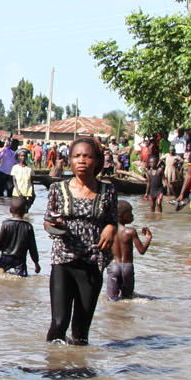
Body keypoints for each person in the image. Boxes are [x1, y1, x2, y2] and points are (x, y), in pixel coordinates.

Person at [44, 137, 119, 343]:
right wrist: (55, 226)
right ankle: (52, 366)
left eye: (87, 156)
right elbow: (47, 222)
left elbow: (113, 221)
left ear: (97, 161)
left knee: (81, 330)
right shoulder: (58, 189)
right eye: (77, 156)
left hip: (92, 262)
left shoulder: (108, 191)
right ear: (70, 160)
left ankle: (79, 370)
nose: (82, 160)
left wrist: (111, 229)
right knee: (59, 323)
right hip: (63, 260)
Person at [104, 201, 151, 301]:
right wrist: (149, 238)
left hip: (114, 266)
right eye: (130, 213)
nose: (133, 216)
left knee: (112, 299)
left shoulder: (109, 231)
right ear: (121, 216)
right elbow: (142, 251)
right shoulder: (131, 231)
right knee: (128, 298)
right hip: (128, 268)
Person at [0, 195, 40, 276]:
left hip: (5, 257)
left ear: (10, 210)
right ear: (25, 211)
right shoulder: (28, 227)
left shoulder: (5, 224)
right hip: (20, 259)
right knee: (22, 278)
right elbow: (32, 247)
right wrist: (36, 263)